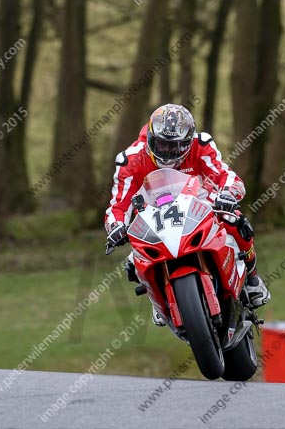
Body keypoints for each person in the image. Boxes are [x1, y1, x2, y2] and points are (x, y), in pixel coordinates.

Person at [105, 103, 271, 325]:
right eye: (161, 145)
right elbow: (118, 205)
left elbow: (226, 176)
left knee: (235, 220)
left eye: (175, 147)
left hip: (199, 203)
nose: (167, 152)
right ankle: (158, 301)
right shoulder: (130, 159)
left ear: (188, 141)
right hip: (153, 217)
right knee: (133, 261)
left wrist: (229, 194)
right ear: (151, 137)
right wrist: (115, 226)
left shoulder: (201, 145)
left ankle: (252, 278)